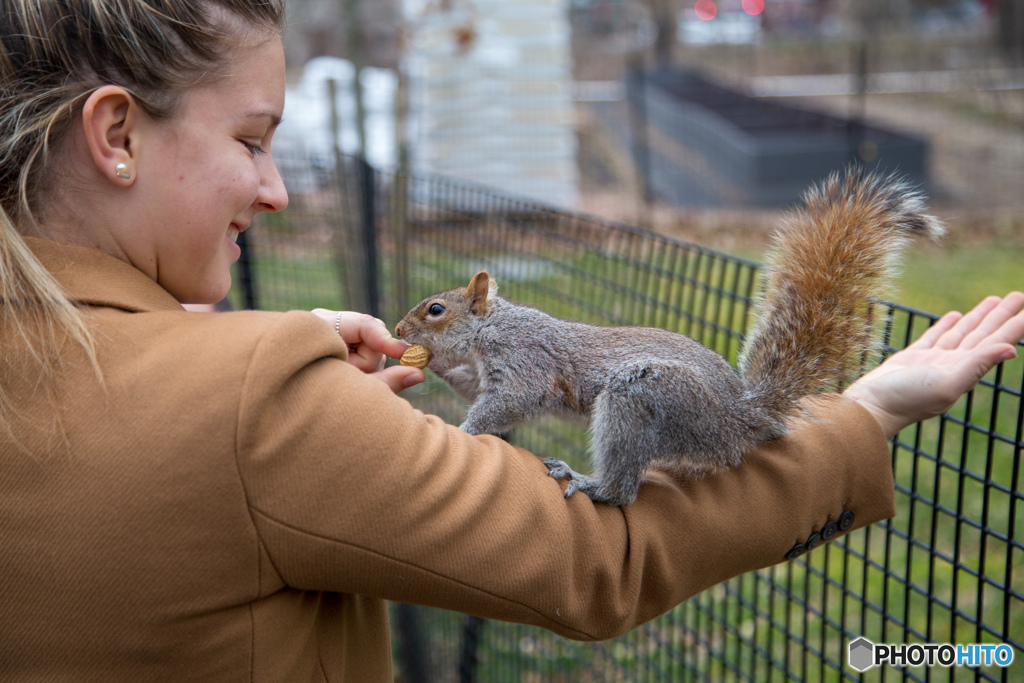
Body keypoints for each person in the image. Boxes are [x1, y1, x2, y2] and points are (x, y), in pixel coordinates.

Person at [1, 1, 1022, 680]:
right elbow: (590, 559)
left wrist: (248, 355)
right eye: (250, 140)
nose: (273, 187)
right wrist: (864, 415)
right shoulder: (253, 398)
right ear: (118, 134)